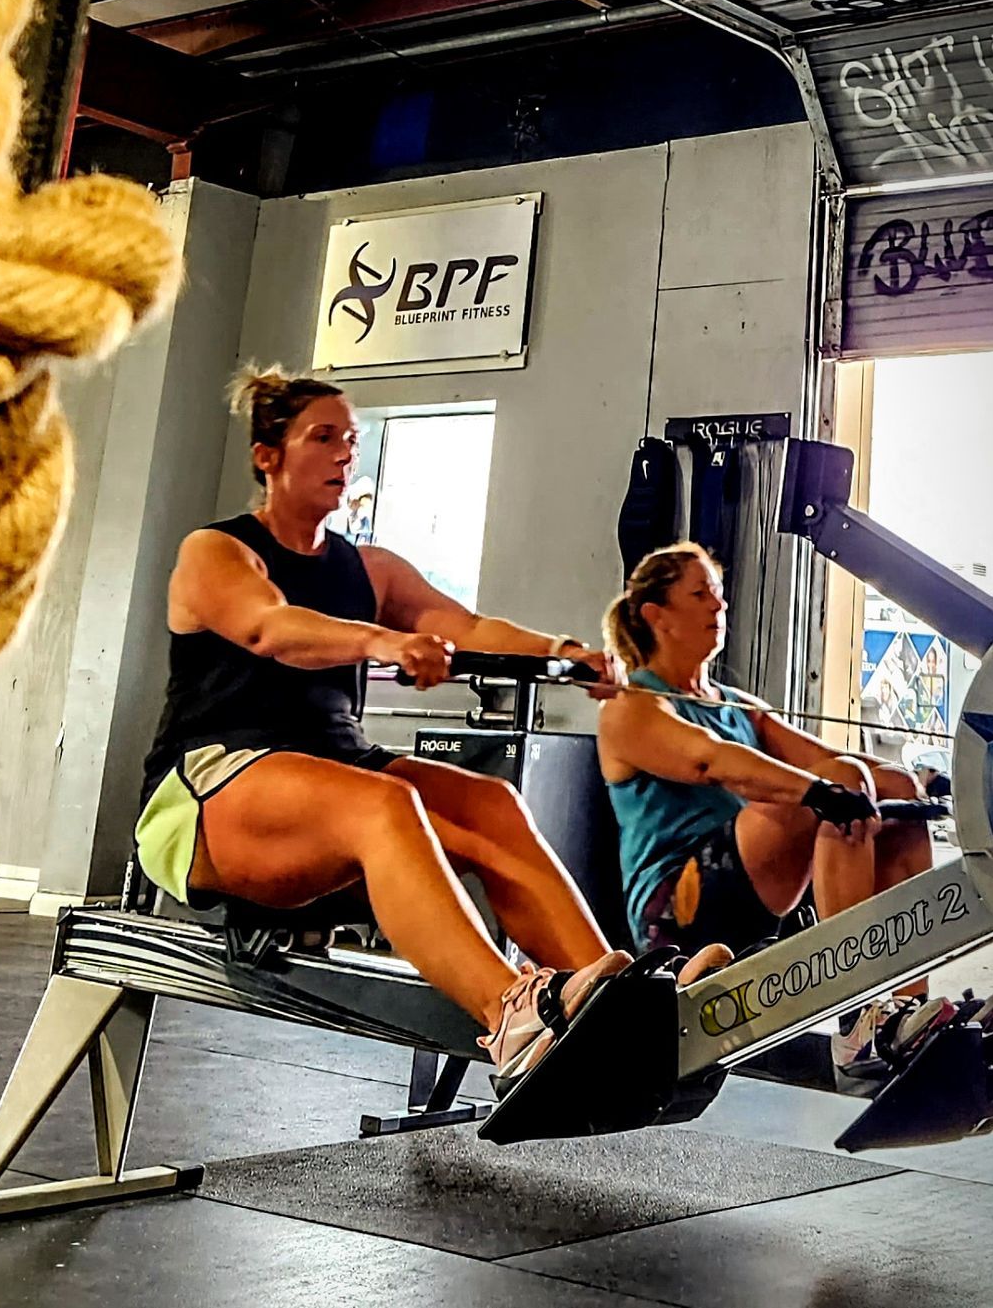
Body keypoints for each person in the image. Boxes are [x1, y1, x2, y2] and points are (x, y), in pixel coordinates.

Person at [135, 369, 720, 1084]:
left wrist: (566, 653)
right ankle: (511, 1015)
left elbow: (469, 626)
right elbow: (269, 627)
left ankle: (608, 998)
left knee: (491, 805)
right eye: (322, 437)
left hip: (334, 784)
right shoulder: (219, 552)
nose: (344, 454)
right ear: (267, 455)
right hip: (206, 792)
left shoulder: (369, 568)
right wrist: (380, 642)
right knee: (384, 802)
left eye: (351, 440)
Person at [596, 542, 951, 1079]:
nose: (719, 608)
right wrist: (822, 792)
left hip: (749, 884)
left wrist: (915, 786)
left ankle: (903, 1011)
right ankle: (859, 1022)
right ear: (656, 615)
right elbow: (708, 762)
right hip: (675, 913)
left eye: (718, 596)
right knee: (822, 793)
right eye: (701, 596)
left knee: (890, 801)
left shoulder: (740, 707)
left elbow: (829, 761)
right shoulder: (632, 708)